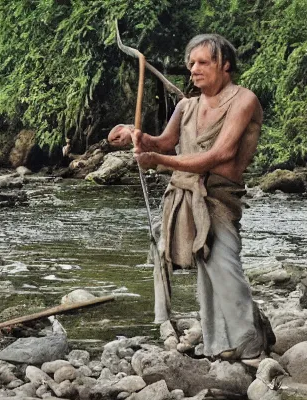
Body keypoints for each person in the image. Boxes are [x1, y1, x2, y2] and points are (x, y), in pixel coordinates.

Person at [108, 33, 271, 360]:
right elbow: (164, 142)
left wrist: (160, 162)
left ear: (225, 65)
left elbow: (220, 154)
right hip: (184, 192)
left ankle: (251, 345)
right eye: (191, 63)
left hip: (219, 195)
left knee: (222, 264)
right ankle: (222, 344)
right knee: (207, 270)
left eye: (202, 62)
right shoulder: (186, 105)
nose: (194, 69)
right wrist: (136, 135)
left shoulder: (244, 100)